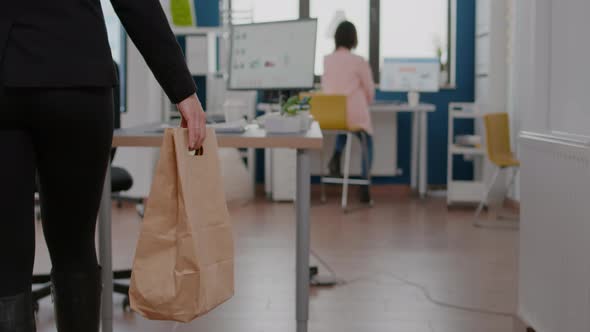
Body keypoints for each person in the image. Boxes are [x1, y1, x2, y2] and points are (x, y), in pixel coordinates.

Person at [0, 0, 206, 331]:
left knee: (6, 258)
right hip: (80, 80)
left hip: (7, 80)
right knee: (75, 245)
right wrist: (183, 90)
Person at [321, 21, 376, 203]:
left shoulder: (327, 60)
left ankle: (336, 156)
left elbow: (325, 86)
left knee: (344, 127)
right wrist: (367, 101)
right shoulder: (358, 61)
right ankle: (364, 184)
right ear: (354, 39)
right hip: (353, 113)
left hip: (332, 115)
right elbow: (369, 89)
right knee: (365, 138)